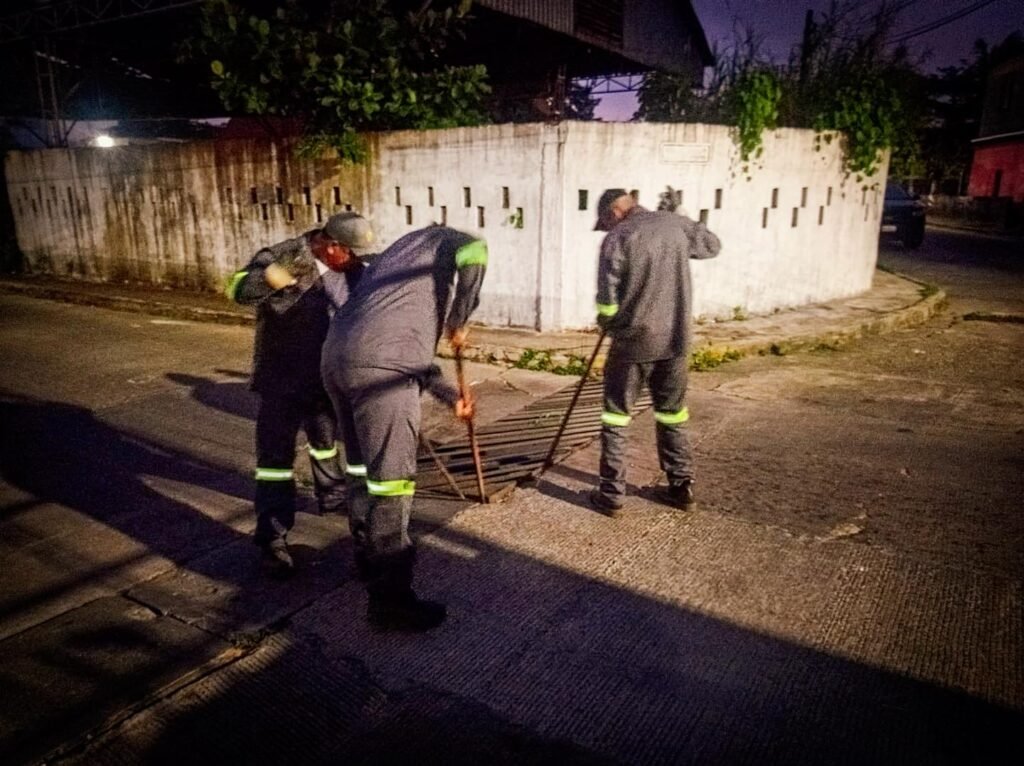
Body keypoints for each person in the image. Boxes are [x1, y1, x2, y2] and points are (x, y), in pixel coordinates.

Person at [321, 224, 486, 632]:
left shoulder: (396, 262)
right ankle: (391, 600)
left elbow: (404, 348)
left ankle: (368, 559)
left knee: (362, 469)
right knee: (392, 483)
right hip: (382, 368)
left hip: (338, 361)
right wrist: (459, 319)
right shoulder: (450, 240)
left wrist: (450, 397)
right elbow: (476, 251)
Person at [226, 212, 376, 575]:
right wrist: (268, 278)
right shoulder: (285, 255)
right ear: (330, 244)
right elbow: (237, 290)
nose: (354, 258)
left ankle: (336, 501)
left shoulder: (355, 270)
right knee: (275, 462)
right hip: (282, 380)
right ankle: (272, 538)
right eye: (349, 251)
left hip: (327, 380)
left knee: (327, 444)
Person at [589, 188, 721, 516]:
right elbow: (711, 245)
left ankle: (611, 495)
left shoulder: (619, 237)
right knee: (672, 413)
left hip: (633, 342)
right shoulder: (674, 224)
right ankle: (681, 487)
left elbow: (607, 300)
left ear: (614, 212)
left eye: (605, 222)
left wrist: (607, 322)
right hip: (676, 341)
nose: (607, 228)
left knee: (616, 415)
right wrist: (682, 214)